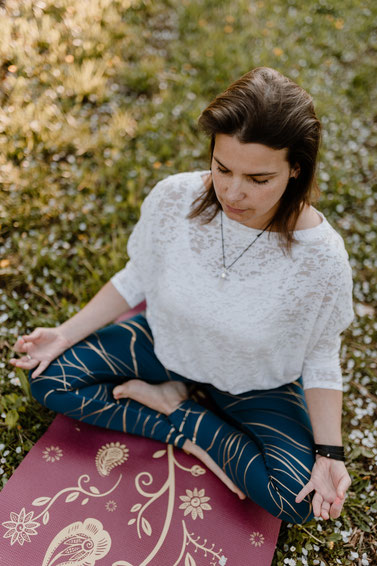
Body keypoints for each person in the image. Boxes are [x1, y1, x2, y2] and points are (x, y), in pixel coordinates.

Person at [9, 66, 354, 525]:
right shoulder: (176, 198)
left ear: (295, 168)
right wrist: (64, 333)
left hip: (255, 382)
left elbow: (321, 353)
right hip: (166, 345)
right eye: (223, 167)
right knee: (51, 379)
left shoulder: (322, 257)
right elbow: (137, 276)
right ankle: (191, 425)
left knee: (298, 497)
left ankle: (175, 407)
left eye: (258, 179)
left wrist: (329, 451)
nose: (233, 191)